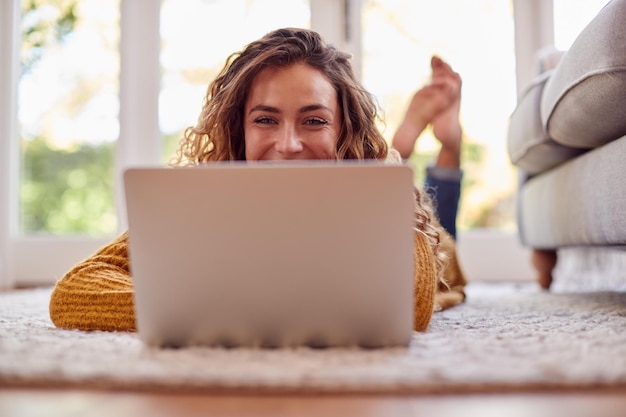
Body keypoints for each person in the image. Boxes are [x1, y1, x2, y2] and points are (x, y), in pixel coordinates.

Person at [49, 27, 467, 333]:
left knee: (440, 229)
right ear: (239, 131)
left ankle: (428, 144)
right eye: (266, 119)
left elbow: (408, 305)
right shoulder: (204, 199)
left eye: (314, 120)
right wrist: (238, 307)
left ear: (343, 131)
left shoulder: (386, 202)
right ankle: (410, 141)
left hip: (437, 245)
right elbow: (75, 291)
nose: (288, 145)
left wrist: (217, 306)